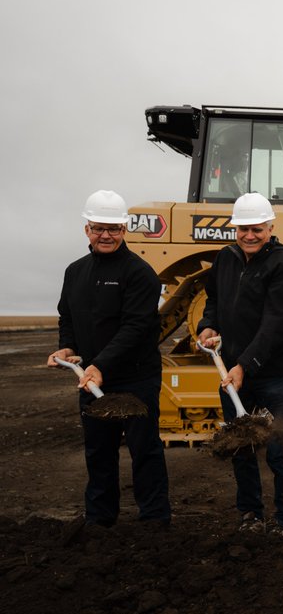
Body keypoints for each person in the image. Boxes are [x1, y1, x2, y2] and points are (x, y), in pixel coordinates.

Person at [49, 190, 171, 528]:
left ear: (124, 229)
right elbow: (67, 318)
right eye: (99, 228)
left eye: (114, 229)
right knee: (98, 450)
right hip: (92, 376)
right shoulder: (75, 272)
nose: (106, 235)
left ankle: (155, 520)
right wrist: (66, 347)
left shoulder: (140, 273)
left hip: (136, 378)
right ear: (86, 229)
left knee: (144, 450)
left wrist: (99, 365)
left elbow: (136, 328)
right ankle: (100, 518)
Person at [197, 192, 283, 535]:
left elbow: (275, 326)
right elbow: (214, 298)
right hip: (233, 371)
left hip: (273, 375)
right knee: (239, 446)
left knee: (277, 448)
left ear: (270, 227)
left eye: (257, 229)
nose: (249, 235)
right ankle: (251, 514)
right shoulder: (226, 258)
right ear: (235, 228)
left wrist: (244, 365)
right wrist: (207, 325)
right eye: (243, 229)